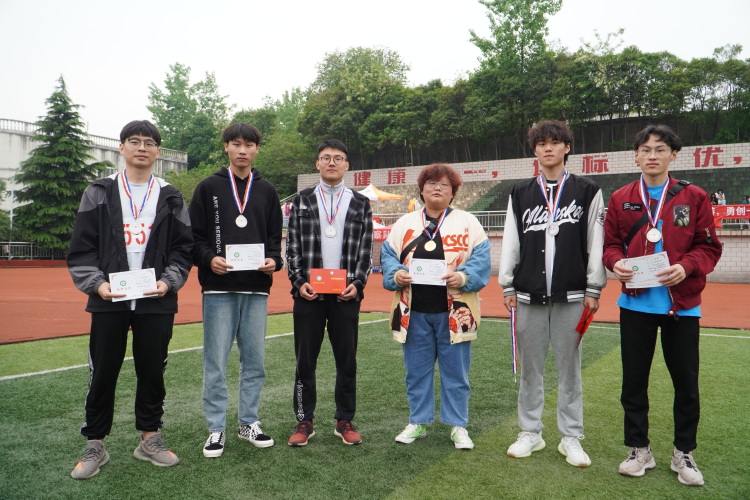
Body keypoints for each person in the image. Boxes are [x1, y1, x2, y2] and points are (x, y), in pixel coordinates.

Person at [67, 120, 193, 479]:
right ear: (121, 147)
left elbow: (183, 249)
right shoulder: (99, 191)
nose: (142, 147)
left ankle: (149, 438)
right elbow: (82, 247)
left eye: (149, 143)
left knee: (153, 371)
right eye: (134, 141)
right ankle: (95, 442)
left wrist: (168, 282)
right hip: (110, 298)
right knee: (102, 371)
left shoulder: (170, 195)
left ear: (157, 152)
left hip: (156, 299)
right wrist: (97, 285)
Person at [604, 125, 722, 486]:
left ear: (674, 154)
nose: (652, 155)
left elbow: (709, 247)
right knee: (634, 382)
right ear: (635, 156)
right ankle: (638, 449)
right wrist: (615, 263)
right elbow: (610, 245)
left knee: (686, 383)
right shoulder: (621, 197)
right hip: (635, 304)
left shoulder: (694, 196)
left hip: (681, 306)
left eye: (660, 149)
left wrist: (686, 267)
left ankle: (683, 452)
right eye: (645, 149)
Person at [499, 120, 606, 467]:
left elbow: (596, 240)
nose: (548, 148)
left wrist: (594, 286)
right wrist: (507, 283)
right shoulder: (520, 192)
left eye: (555, 142)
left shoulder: (587, 190)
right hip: (528, 294)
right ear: (534, 150)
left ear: (567, 147)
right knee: (531, 370)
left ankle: (570, 436)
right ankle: (530, 432)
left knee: (569, 370)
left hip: (572, 295)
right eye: (541, 143)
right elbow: (511, 239)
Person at [189, 123, 283, 458]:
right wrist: (209, 259)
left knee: (254, 361)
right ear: (226, 147)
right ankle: (216, 428)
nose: (242, 150)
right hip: (218, 288)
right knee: (215, 361)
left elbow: (274, 239)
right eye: (236, 144)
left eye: (249, 145)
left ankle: (248, 422)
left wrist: (275, 260)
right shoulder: (208, 187)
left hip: (256, 288)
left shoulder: (267, 190)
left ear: (257, 149)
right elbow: (194, 238)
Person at [381, 163, 490, 450]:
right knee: (416, 372)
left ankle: (458, 425)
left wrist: (464, 276)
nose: (437, 188)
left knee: (456, 374)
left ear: (453, 192)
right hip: (413, 312)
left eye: (444, 184)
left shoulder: (468, 222)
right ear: (422, 190)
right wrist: (396, 274)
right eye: (431, 183)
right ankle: (418, 421)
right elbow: (388, 255)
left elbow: (482, 260)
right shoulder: (405, 223)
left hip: (456, 311)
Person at [285, 139, 373, 446]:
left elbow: (366, 251)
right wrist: (299, 282)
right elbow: (291, 247)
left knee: (346, 361)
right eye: (326, 158)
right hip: (308, 294)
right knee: (304, 362)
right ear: (318, 164)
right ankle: (304, 421)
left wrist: (357, 283)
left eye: (338, 158)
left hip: (345, 295)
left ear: (347, 165)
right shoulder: (302, 200)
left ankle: (344, 420)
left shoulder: (360, 202)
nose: (332, 162)